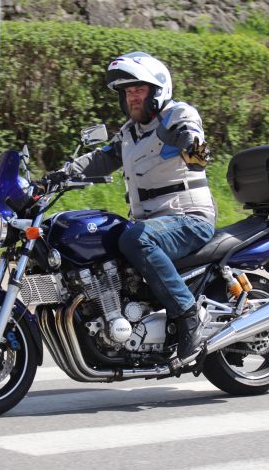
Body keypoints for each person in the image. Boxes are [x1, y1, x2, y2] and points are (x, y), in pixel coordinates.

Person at [69, 51, 216, 359]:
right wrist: (53, 178)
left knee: (135, 238)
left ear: (157, 91)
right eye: (127, 92)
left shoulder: (178, 115)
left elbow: (196, 145)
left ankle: (188, 314)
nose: (132, 97)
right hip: (152, 224)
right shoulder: (129, 133)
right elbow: (99, 160)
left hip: (188, 218)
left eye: (139, 89)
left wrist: (191, 144)